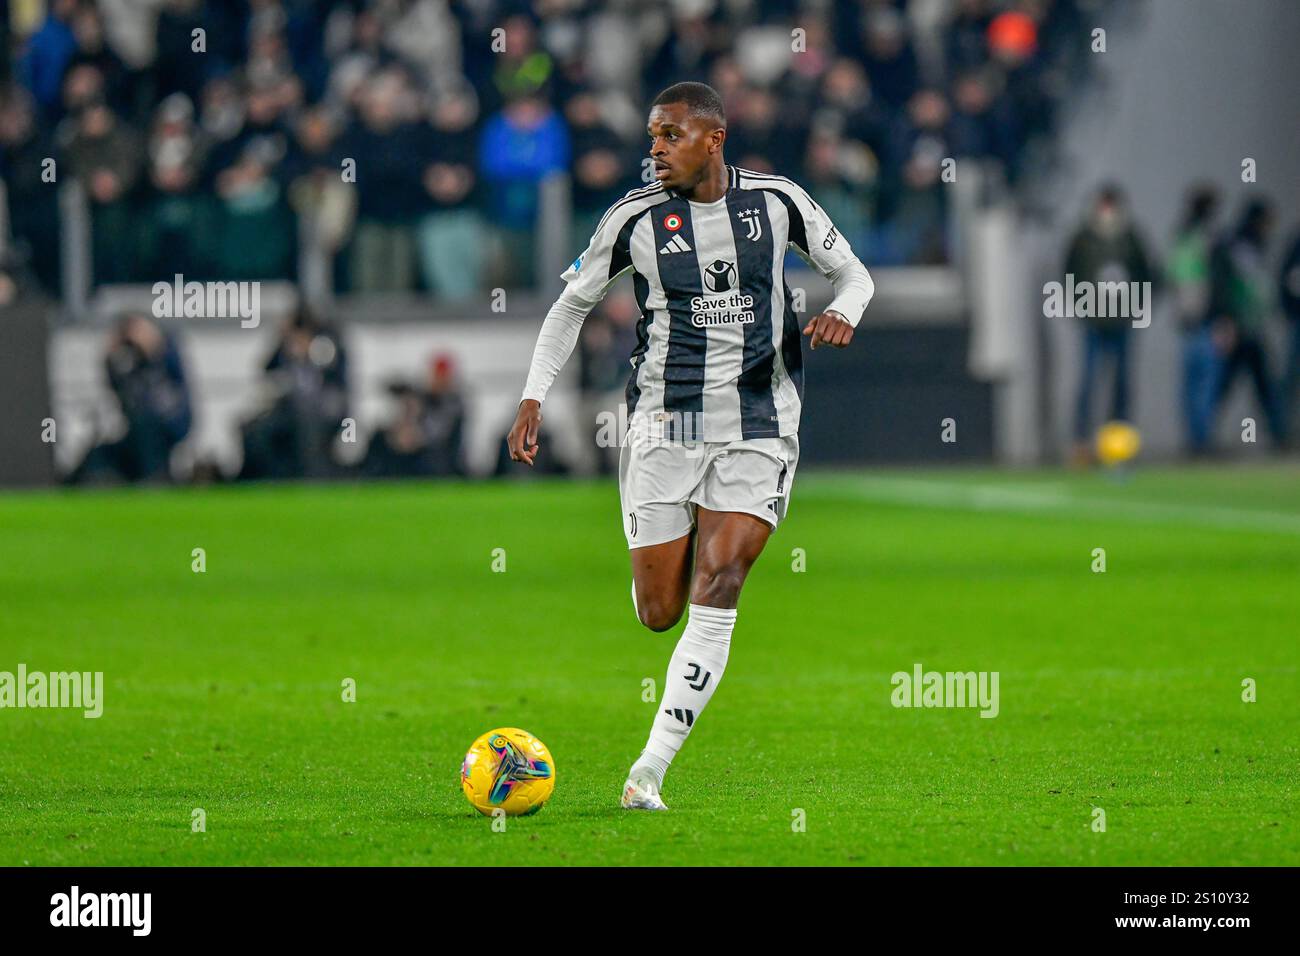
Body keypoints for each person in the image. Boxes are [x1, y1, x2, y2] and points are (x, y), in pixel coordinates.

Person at [506, 82, 873, 810]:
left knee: (724, 579)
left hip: (760, 422)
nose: (656, 149)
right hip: (664, 426)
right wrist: (532, 396)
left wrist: (846, 311)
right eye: (652, 135)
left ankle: (649, 769)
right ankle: (683, 538)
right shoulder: (633, 218)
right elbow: (570, 304)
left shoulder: (778, 202)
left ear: (714, 139)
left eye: (670, 135)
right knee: (658, 612)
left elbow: (853, 274)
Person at [1064, 185, 1155, 464]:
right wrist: (1080, 306)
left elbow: (1147, 274)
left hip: (1123, 320)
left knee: (1122, 383)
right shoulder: (1083, 238)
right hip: (1093, 320)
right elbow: (1069, 273)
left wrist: (1138, 307)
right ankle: (1081, 444)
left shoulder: (1130, 237)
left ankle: (1119, 447)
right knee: (1089, 381)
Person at [1209, 199, 1284, 447]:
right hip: (1238, 328)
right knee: (1225, 385)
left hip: (1251, 328)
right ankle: (1204, 439)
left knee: (1261, 385)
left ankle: (1278, 434)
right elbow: (1226, 287)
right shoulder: (1238, 246)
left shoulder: (1250, 245)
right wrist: (1226, 321)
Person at [1167, 185, 1220, 455]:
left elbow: (1172, 278)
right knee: (1205, 384)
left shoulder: (1181, 236)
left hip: (1188, 320)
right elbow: (1215, 281)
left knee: (1193, 384)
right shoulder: (1206, 238)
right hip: (1203, 320)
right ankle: (1201, 441)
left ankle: (1196, 440)